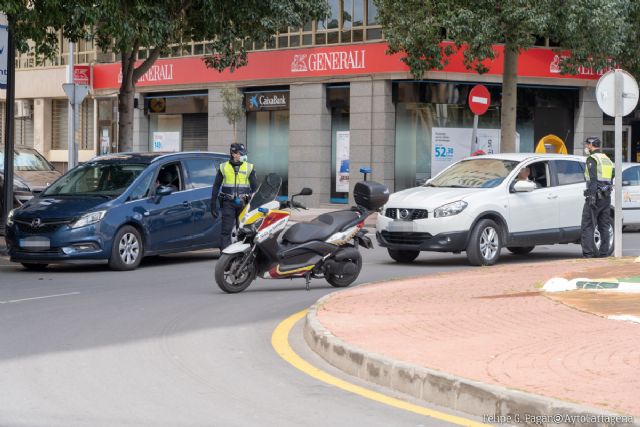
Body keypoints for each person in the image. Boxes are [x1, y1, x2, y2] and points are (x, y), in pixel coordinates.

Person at [211, 143, 257, 249]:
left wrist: (254, 204)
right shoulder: (223, 167)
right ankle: (224, 258)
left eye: (243, 153)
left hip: (244, 203)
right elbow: (216, 186)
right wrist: (213, 204)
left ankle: (242, 257)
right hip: (228, 203)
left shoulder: (249, 167)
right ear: (233, 154)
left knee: (244, 231)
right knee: (226, 231)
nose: (243, 156)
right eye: (241, 153)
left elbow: (255, 188)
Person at [580, 136, 613, 258]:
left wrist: (592, 197)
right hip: (606, 197)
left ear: (591, 145)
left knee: (587, 225)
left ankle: (588, 253)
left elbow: (593, 179)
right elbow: (611, 177)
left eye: (588, 144)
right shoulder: (607, 159)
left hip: (595, 197)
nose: (587, 147)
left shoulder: (592, 158)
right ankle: (604, 253)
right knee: (604, 225)